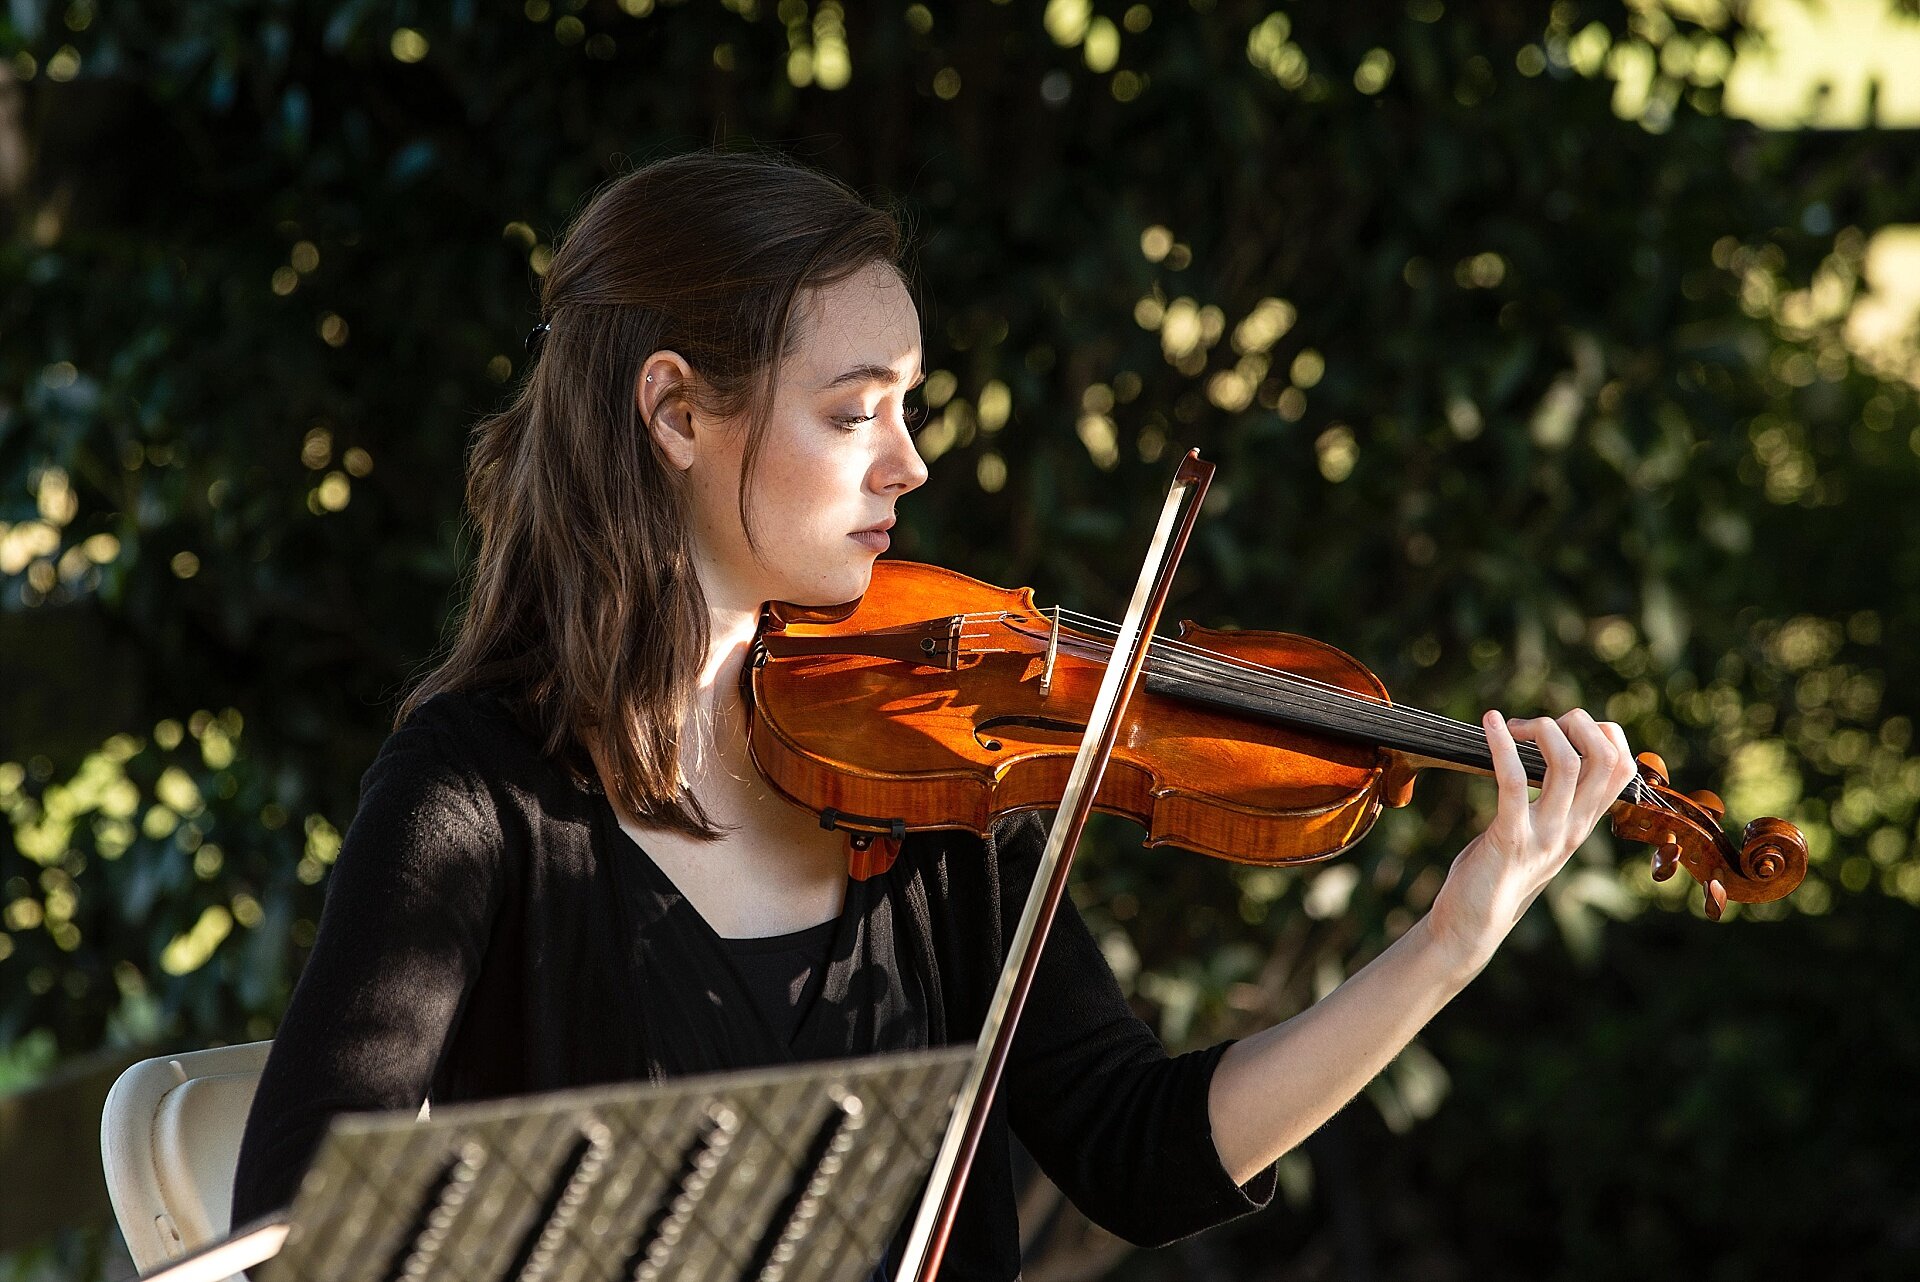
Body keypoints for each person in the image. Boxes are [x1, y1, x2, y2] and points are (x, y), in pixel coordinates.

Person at [231, 147, 1640, 1280]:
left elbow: (1137, 1150)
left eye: (909, 405)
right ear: (674, 411)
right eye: (856, 412)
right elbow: (298, 1234)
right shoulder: (476, 797)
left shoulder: (934, 773)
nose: (910, 461)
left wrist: (1453, 940)